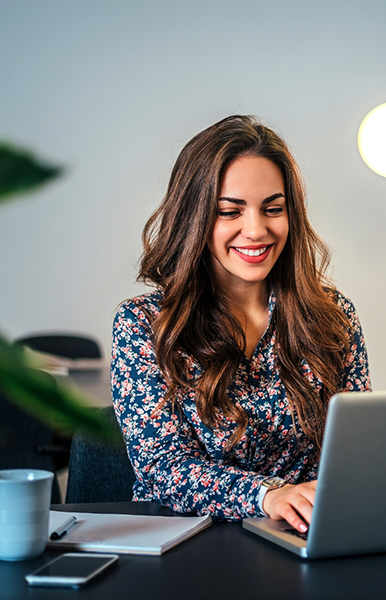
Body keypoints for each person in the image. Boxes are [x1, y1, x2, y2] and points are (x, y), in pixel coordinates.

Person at [111, 115, 371, 532]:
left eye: (273, 209)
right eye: (230, 212)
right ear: (194, 219)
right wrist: (268, 495)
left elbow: (357, 449)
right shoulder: (145, 323)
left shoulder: (334, 316)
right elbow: (162, 468)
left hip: (306, 537)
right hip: (189, 548)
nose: (256, 230)